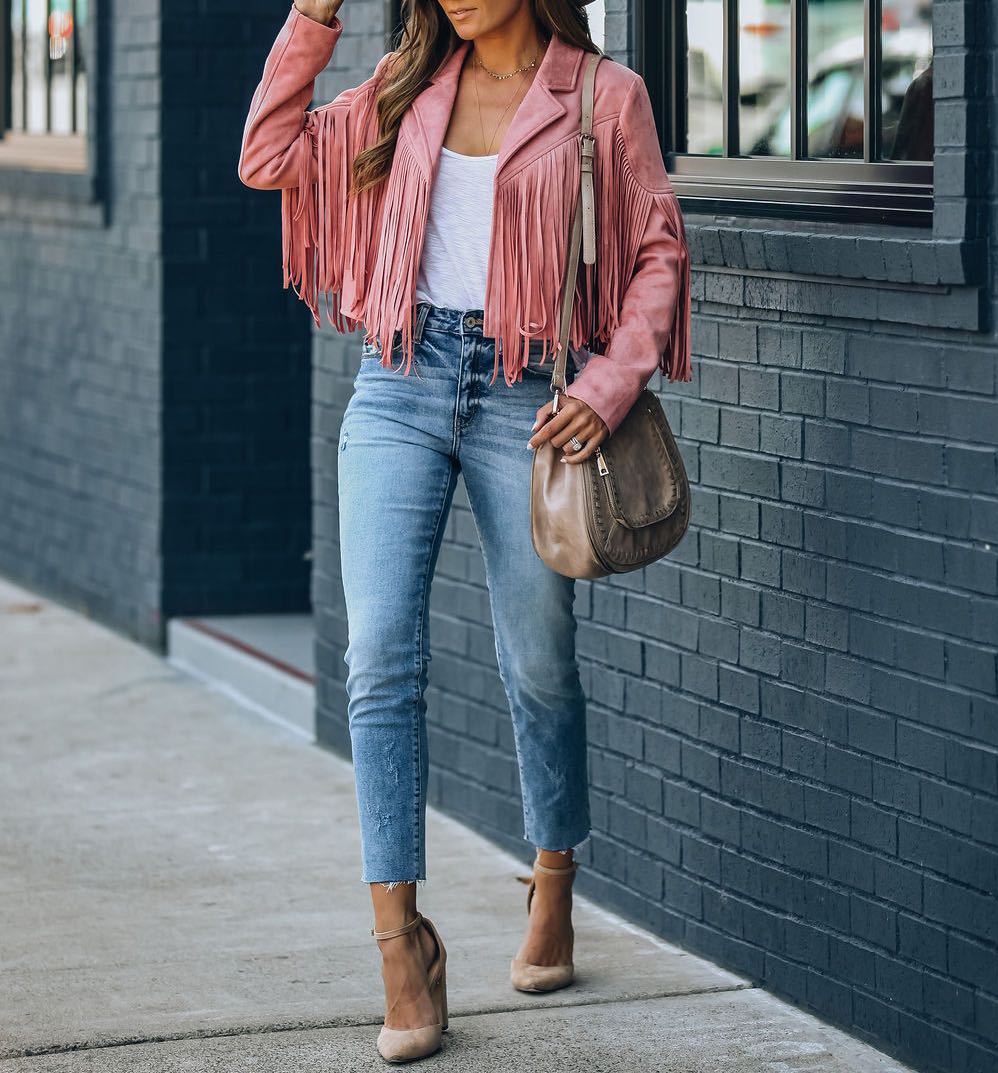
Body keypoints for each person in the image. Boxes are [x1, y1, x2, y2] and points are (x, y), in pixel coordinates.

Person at [238, 0, 691, 1062]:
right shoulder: (399, 90)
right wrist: (312, 15)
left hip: (527, 396)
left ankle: (554, 873)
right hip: (398, 380)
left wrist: (611, 378)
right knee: (379, 655)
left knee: (537, 661)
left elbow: (658, 250)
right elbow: (268, 156)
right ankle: (401, 942)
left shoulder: (602, 98)